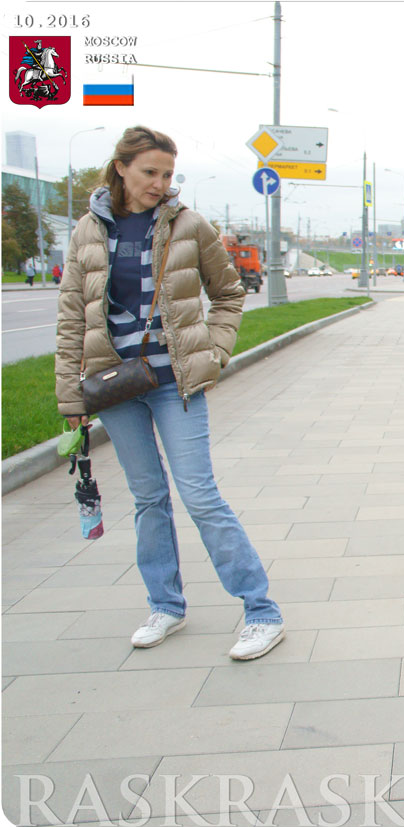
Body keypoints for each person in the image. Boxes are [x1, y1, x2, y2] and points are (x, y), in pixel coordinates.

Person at [54, 126, 285, 661]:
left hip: (173, 384)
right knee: (147, 498)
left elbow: (228, 294)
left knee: (200, 495)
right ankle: (166, 605)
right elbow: (71, 320)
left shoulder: (189, 225)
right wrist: (72, 401)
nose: (160, 183)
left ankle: (261, 611)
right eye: (149, 172)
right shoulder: (87, 232)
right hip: (114, 387)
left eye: (167, 174)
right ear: (121, 168)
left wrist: (217, 352)